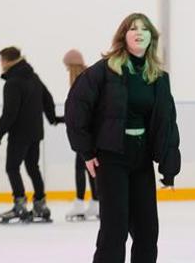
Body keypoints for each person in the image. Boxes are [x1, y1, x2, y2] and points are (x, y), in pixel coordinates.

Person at [65, 13, 180, 263]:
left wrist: (169, 166)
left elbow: (168, 122)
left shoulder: (159, 78)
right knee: (114, 231)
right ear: (123, 37)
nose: (139, 33)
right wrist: (86, 151)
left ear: (152, 37)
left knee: (147, 231)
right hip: (111, 157)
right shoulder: (104, 71)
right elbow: (76, 107)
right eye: (132, 29)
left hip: (141, 159)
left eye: (144, 29)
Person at [0, 46, 59, 224]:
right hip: (36, 133)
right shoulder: (33, 77)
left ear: (7, 61)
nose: (1, 64)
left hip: (19, 134)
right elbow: (48, 98)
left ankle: (20, 205)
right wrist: (52, 118)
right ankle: (40, 205)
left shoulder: (13, 82)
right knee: (32, 167)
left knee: (12, 167)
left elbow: (10, 113)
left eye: (1, 61)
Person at [61, 49, 100, 221]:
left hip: (87, 133)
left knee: (83, 167)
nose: (67, 72)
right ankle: (95, 201)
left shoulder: (82, 80)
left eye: (68, 68)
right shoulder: (88, 78)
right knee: (87, 167)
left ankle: (82, 202)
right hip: (89, 131)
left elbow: (82, 111)